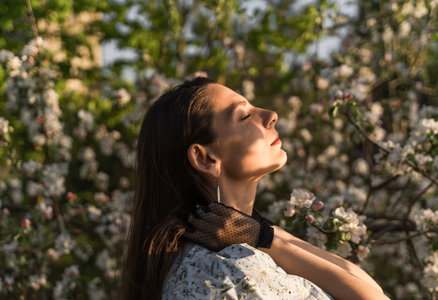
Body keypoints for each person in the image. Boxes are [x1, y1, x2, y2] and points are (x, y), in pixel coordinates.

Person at [121, 77, 390, 300]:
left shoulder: (239, 251)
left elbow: (367, 287)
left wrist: (265, 236)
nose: (271, 115)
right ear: (205, 158)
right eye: (245, 115)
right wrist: (265, 239)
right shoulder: (224, 270)